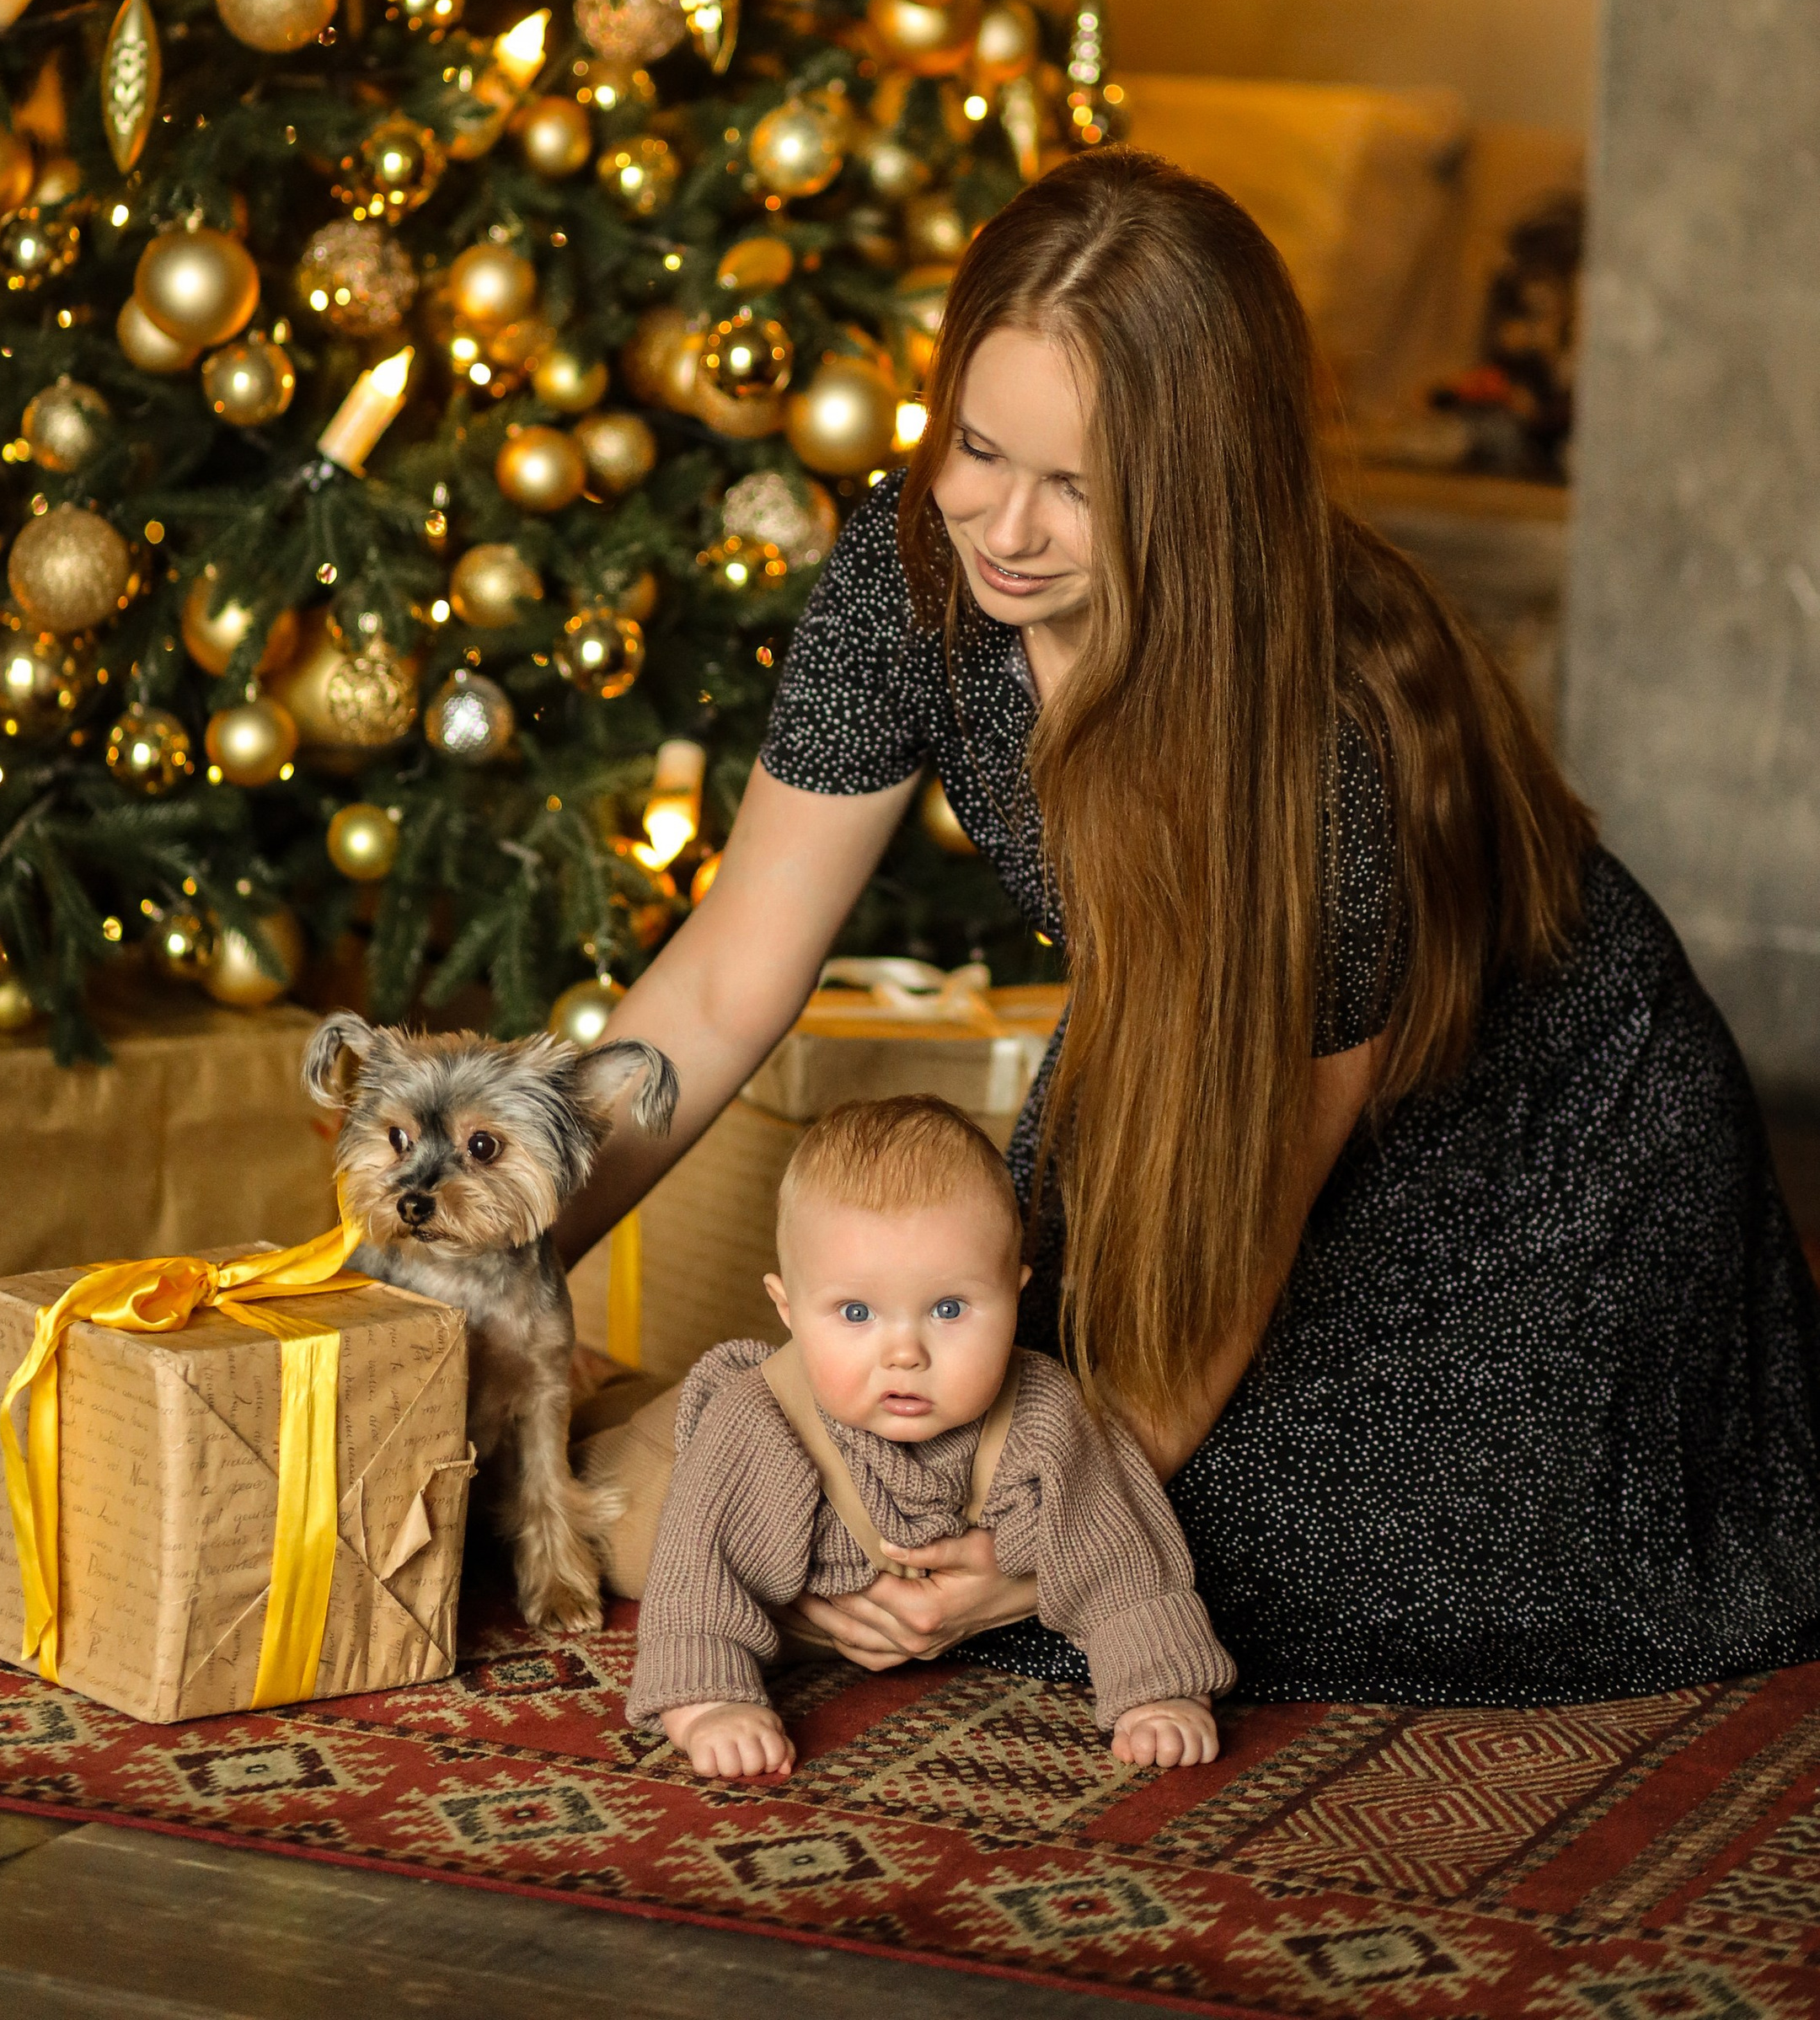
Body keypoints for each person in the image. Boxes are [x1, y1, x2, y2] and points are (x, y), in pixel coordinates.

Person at [560, 149, 1820, 1706]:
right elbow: (727, 978)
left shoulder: (1336, 757)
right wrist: (499, 1246)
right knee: (903, 1475)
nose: (1003, 527)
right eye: (976, 446)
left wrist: (1014, 1557)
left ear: (1202, 490)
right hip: (1183, 1100)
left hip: (1532, 1203)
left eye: (1080, 488)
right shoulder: (911, 575)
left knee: (1116, 1549)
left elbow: (1239, 1231)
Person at [629, 1094, 1232, 1779]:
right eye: (856, 1312)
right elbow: (695, 1578)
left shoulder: (1043, 1414)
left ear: (1014, 1297)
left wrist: (1162, 1692)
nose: (906, 1353)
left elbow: (1118, 1555)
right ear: (788, 1310)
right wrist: (708, 1708)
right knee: (610, 1510)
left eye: (949, 1309)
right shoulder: (758, 1422)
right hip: (667, 1493)